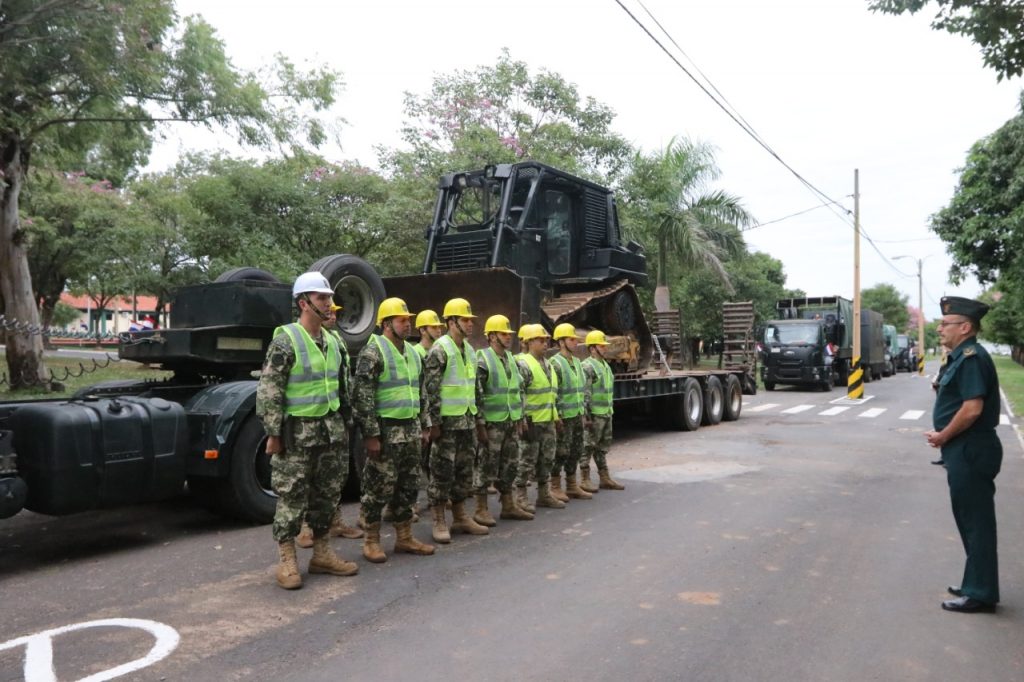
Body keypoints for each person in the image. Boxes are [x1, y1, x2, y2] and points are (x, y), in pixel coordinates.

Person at [256, 272, 359, 590]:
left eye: (329, 298)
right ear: (304, 303)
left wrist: (346, 422)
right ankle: (287, 560)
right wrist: (273, 433)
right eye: (321, 298)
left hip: (330, 431)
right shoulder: (286, 340)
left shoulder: (333, 341)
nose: (329, 304)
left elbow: (344, 386)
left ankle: (323, 553)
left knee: (326, 496)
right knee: (292, 497)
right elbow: (270, 389)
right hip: (297, 434)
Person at [925, 296, 1002, 613]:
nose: (940, 328)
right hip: (964, 449)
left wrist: (943, 435)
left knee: (976, 523)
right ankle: (976, 581)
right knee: (969, 520)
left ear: (965, 327)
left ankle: (980, 592)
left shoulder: (971, 357)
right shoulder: (959, 356)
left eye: (946, 323)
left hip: (970, 448)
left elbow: (972, 409)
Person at [353, 297, 435, 563]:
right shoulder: (373, 352)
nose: (407, 324)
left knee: (408, 486)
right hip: (386, 433)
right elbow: (363, 397)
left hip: (410, 431)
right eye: (402, 320)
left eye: (408, 319)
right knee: (378, 488)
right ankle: (372, 540)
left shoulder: (412, 353)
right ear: (387, 324)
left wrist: (424, 426)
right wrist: (371, 435)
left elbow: (420, 392)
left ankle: (404, 537)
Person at [296, 303, 363, 548]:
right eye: (330, 311)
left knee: (334, 475)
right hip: (310, 421)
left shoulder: (336, 341)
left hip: (335, 417)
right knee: (307, 477)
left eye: (336, 312)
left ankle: (335, 521)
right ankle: (305, 527)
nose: (333, 315)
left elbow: (343, 379)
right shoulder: (305, 341)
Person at [424, 297, 489, 542]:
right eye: (465, 320)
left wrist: (480, 422)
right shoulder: (440, 349)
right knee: (442, 471)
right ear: (451, 322)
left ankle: (461, 516)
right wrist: (434, 423)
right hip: (447, 425)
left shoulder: (470, 350)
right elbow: (430, 389)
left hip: (467, 422)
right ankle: (439, 519)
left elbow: (475, 390)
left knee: (464, 471)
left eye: (471, 320)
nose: (470, 324)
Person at [475, 314, 533, 524]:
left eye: (509, 334)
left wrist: (520, 418)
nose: (508, 338)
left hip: (510, 421)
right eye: (503, 334)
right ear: (491, 337)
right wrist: (480, 424)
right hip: (492, 424)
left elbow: (517, 391)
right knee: (486, 465)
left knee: (510, 464)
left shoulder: (511, 359)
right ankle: (480, 508)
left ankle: (508, 505)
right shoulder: (482, 359)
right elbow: (477, 395)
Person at [515, 324, 565, 510]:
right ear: (528, 342)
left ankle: (544, 495)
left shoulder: (549, 365)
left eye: (546, 340)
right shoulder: (523, 364)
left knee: (547, 459)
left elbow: (551, 395)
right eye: (540, 340)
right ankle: (520, 497)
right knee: (527, 460)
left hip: (547, 421)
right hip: (531, 421)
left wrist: (556, 417)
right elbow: (518, 394)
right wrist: (521, 419)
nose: (545, 343)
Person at [550, 322, 592, 502]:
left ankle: (572, 485)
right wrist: (556, 416)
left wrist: (583, 413)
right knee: (561, 451)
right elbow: (554, 392)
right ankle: (555, 486)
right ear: (560, 342)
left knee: (576, 449)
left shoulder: (577, 363)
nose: (575, 342)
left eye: (576, 339)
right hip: (563, 417)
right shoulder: (556, 363)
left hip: (576, 414)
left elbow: (580, 391)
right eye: (571, 339)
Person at [580, 330, 625, 491]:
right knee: (588, 446)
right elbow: (585, 392)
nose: (605, 348)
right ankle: (584, 479)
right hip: (594, 414)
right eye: (601, 346)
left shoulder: (605, 365)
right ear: (592, 349)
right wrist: (586, 415)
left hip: (606, 412)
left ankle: (604, 477)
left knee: (602, 447)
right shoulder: (587, 366)